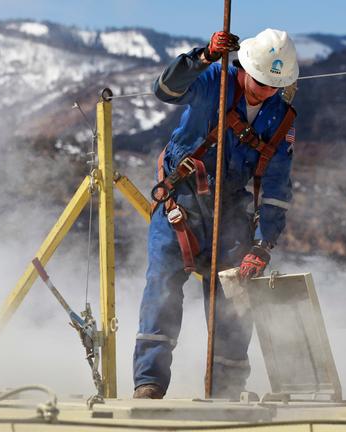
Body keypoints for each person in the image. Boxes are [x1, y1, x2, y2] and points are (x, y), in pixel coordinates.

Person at [133, 28, 299, 399]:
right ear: (245, 66)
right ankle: (149, 384)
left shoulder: (281, 119)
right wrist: (204, 55)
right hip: (181, 203)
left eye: (274, 85)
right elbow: (165, 91)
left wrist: (263, 244)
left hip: (231, 214)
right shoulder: (212, 82)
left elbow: (276, 187)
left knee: (233, 300)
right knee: (162, 289)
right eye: (259, 81)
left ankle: (226, 391)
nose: (264, 90)